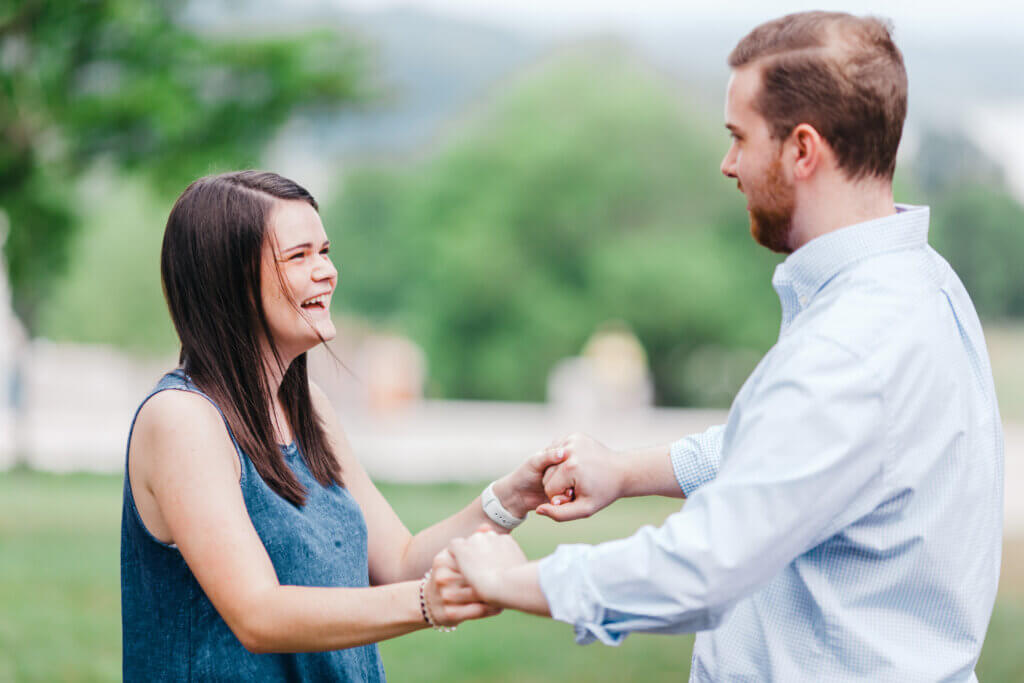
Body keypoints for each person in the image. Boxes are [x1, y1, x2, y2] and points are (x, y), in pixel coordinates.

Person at [439, 11, 1004, 682]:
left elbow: (704, 567)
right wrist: (626, 472)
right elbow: (785, 453)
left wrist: (520, 579)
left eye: (740, 137)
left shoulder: (850, 348)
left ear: (801, 150)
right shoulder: (922, 283)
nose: (727, 164)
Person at [121, 170, 563, 681]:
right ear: (231, 281)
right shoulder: (183, 419)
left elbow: (398, 560)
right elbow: (257, 615)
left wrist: (509, 500)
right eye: (299, 256)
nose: (327, 272)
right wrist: (429, 602)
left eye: (324, 251)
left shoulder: (308, 406)